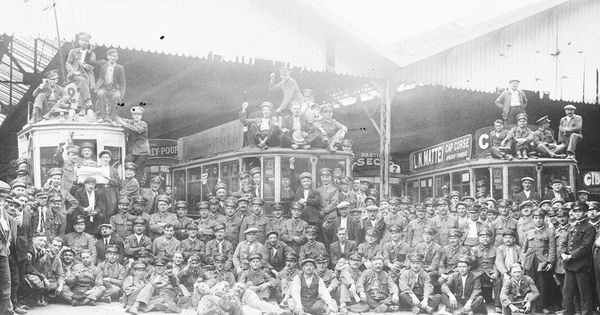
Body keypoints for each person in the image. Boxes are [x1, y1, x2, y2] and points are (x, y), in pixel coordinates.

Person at [561, 201, 596, 315]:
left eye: (580, 211)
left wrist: (571, 256)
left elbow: (586, 246)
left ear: (585, 212)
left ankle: (586, 313)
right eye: (575, 211)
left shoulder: (589, 227)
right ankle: (568, 312)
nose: (577, 213)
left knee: (584, 293)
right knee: (568, 292)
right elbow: (565, 243)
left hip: (582, 265)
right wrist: (563, 254)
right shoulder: (572, 226)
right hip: (569, 265)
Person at [521, 209, 555, 313]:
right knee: (530, 282)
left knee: (542, 284)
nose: (538, 220)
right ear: (533, 219)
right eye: (536, 218)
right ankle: (530, 305)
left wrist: (550, 262)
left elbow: (552, 248)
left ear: (544, 219)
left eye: (540, 218)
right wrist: (522, 261)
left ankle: (543, 306)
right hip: (530, 261)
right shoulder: (529, 232)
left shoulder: (550, 231)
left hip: (542, 261)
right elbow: (524, 249)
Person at [117, 106, 150, 183]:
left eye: (138, 115)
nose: (136, 116)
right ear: (132, 116)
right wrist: (115, 116)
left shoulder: (143, 124)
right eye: (135, 115)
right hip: (133, 150)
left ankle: (136, 185)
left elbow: (135, 129)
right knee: (127, 162)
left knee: (138, 169)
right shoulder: (131, 122)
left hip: (142, 152)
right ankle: (127, 182)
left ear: (141, 116)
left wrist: (123, 124)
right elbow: (121, 119)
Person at [471, 228, 501, 312]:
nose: (485, 239)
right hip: (478, 272)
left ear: (490, 238)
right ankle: (475, 303)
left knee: (497, 281)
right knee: (474, 280)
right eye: (482, 237)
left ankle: (497, 305)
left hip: (490, 271)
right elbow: (472, 265)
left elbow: (496, 262)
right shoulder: (474, 249)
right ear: (479, 239)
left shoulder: (495, 249)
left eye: (487, 237)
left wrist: (496, 272)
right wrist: (472, 258)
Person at [65, 32, 96, 113]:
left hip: (86, 75)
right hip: (75, 75)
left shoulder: (91, 54)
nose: (84, 42)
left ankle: (81, 108)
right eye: (82, 40)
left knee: (84, 81)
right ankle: (88, 100)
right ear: (79, 41)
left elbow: (93, 67)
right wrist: (74, 72)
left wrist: (85, 66)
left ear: (88, 42)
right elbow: (68, 63)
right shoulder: (73, 51)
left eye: (86, 41)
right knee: (82, 80)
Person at [94, 48, 126, 123]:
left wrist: (121, 95)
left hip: (113, 88)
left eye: (114, 56)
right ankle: (103, 117)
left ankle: (112, 118)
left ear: (117, 58)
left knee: (117, 97)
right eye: (111, 56)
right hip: (104, 87)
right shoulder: (103, 65)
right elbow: (91, 62)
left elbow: (123, 84)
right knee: (100, 93)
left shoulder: (120, 68)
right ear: (108, 56)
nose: (112, 58)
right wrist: (89, 51)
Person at [0, 189, 18, 315]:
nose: (4, 202)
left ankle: (7, 311)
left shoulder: (5, 215)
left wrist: (6, 245)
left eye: (5, 199)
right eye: (1, 198)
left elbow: (8, 234)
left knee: (6, 283)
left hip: (3, 252)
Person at [97, 150, 120, 221]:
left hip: (111, 190)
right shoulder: (97, 169)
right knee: (101, 209)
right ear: (100, 159)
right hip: (100, 190)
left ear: (110, 159)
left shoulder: (113, 170)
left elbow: (118, 182)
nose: (105, 159)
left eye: (107, 157)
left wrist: (109, 179)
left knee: (112, 208)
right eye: (103, 157)